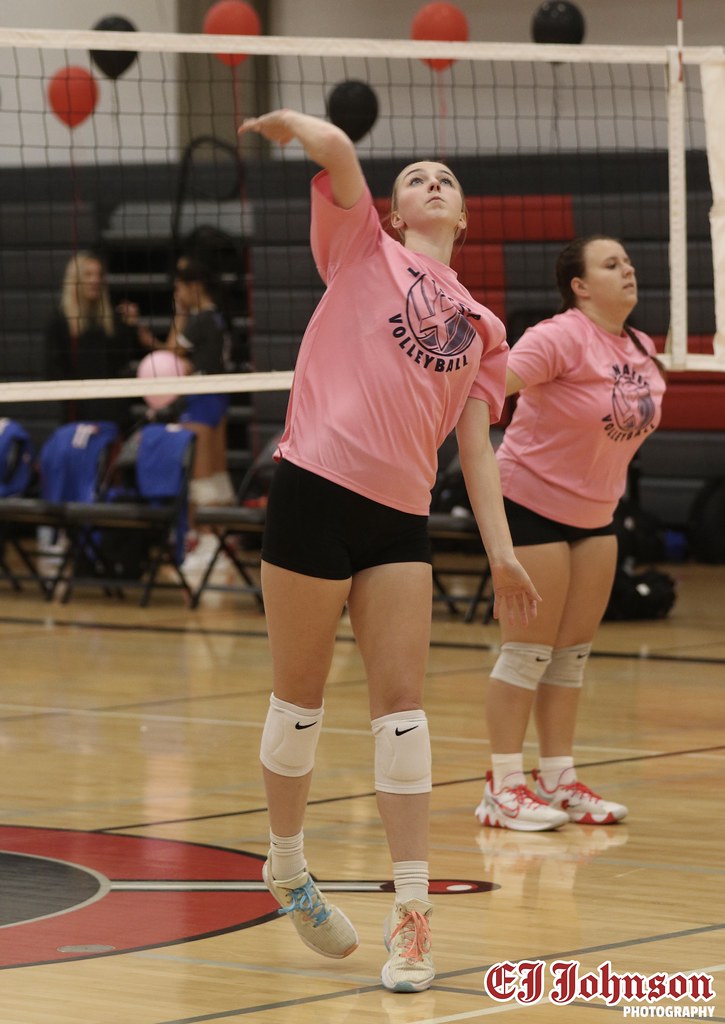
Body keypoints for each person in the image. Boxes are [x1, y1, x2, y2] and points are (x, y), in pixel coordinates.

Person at [238, 108, 540, 993]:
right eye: (416, 178)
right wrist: (299, 127)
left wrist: (504, 553)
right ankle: (287, 866)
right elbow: (335, 154)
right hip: (312, 489)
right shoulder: (362, 248)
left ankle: (413, 914)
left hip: (398, 518)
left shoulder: (483, 328)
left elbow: (477, 450)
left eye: (446, 177)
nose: (433, 182)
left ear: (463, 216)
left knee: (402, 710)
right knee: (298, 702)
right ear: (397, 211)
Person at [474, 235, 667, 834]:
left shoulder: (640, 345)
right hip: (529, 501)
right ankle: (502, 787)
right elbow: (488, 387)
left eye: (628, 261)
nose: (628, 269)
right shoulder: (560, 336)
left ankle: (558, 779)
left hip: (597, 514)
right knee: (527, 651)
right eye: (612, 264)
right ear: (580, 286)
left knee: (569, 658)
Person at [156, 256, 235, 556]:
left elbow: (170, 354)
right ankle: (223, 541)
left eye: (180, 288)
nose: (178, 294)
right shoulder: (218, 318)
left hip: (201, 399)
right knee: (217, 474)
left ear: (195, 286)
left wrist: (179, 314)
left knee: (201, 479)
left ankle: (207, 543)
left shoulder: (200, 319)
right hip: (219, 397)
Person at [45, 250, 155, 427]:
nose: (95, 280)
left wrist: (130, 327)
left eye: (98, 275)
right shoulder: (60, 322)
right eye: (88, 274)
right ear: (75, 279)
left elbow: (122, 361)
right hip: (77, 414)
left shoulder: (112, 320)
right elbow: (53, 370)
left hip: (112, 413)